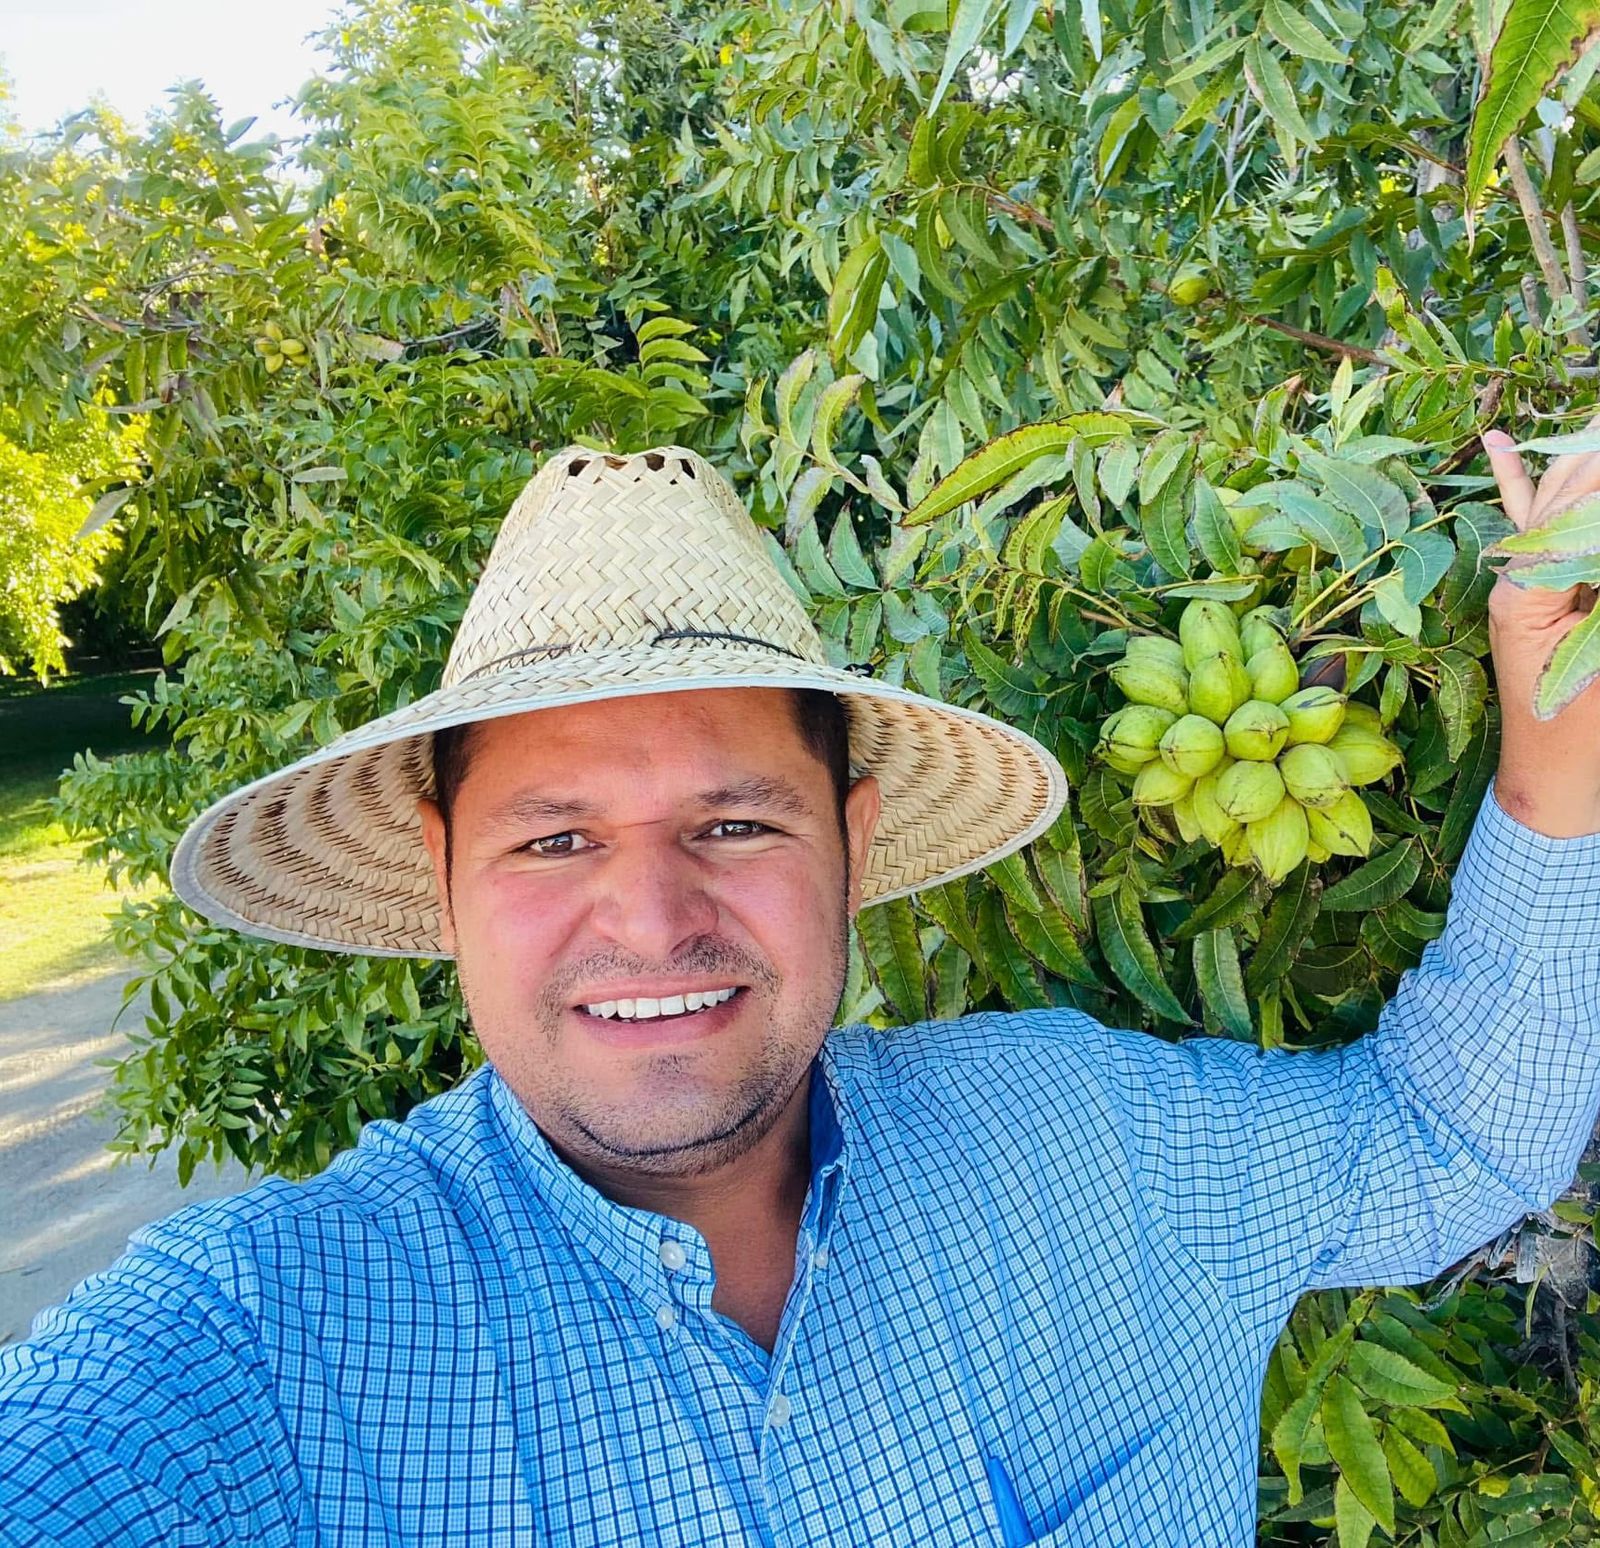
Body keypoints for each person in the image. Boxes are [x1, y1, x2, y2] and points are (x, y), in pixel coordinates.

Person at [0, 436, 1595, 1548]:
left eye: (737, 824)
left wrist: (1560, 722)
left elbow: (1447, 1134)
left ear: (854, 839)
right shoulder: (254, 1352)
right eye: (554, 839)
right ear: (443, 875)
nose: (653, 921)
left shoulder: (1085, 1138)